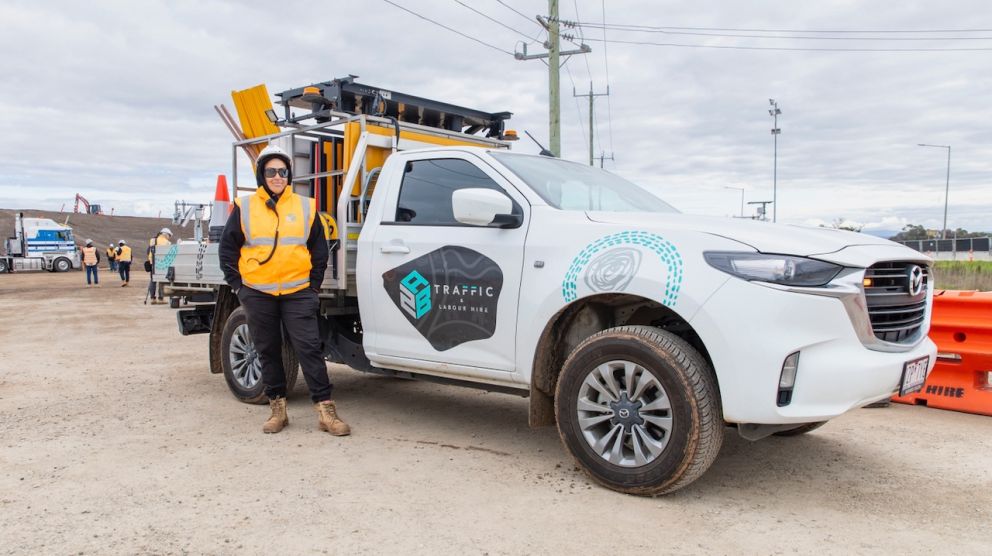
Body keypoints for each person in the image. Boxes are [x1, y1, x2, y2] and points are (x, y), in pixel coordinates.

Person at [219, 144, 349, 436]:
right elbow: (227, 249)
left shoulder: (305, 206)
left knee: (309, 348)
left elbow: (319, 250)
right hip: (257, 291)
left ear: (289, 175)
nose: (277, 177)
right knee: (267, 349)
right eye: (271, 172)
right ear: (261, 175)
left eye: (282, 171)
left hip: (298, 291)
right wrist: (239, 287)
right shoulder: (245, 207)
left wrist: (313, 286)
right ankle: (277, 409)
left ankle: (326, 411)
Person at [146, 227, 173, 304]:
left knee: (153, 280)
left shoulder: (153, 240)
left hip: (152, 263)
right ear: (166, 234)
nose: (169, 237)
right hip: (162, 264)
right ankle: (161, 299)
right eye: (169, 235)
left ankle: (152, 299)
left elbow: (148, 251)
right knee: (162, 280)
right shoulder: (167, 243)